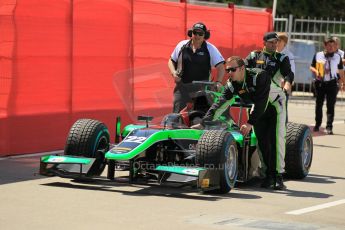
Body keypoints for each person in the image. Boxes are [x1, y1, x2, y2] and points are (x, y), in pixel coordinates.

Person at [191, 56, 287, 190]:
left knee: (276, 139)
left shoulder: (259, 76)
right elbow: (220, 104)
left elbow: (262, 101)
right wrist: (204, 122)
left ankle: (277, 176)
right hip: (258, 108)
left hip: (276, 105)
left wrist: (249, 123)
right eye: (227, 70)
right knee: (261, 142)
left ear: (242, 68)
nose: (229, 73)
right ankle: (267, 175)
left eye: (232, 69)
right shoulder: (232, 84)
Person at [168, 22, 225, 113]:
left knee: (199, 117)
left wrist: (218, 82)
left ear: (205, 35)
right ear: (191, 33)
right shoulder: (182, 45)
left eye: (200, 33)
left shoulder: (210, 48)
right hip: (182, 87)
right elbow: (171, 60)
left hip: (202, 89)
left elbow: (221, 67)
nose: (197, 36)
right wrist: (174, 73)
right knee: (177, 116)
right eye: (195, 32)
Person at [309, 37, 344, 134]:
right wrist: (316, 71)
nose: (331, 47)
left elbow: (341, 71)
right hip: (320, 83)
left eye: (333, 46)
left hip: (332, 83)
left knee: (330, 106)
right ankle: (317, 124)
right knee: (319, 104)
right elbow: (311, 66)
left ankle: (329, 127)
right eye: (329, 45)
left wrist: (342, 83)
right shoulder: (318, 55)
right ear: (325, 46)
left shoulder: (338, 57)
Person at [245, 32, 294, 98]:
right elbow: (243, 70)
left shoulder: (282, 58)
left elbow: (288, 73)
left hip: (274, 96)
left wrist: (287, 84)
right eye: (271, 42)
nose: (274, 45)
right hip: (256, 95)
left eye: (276, 42)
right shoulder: (254, 55)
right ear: (264, 43)